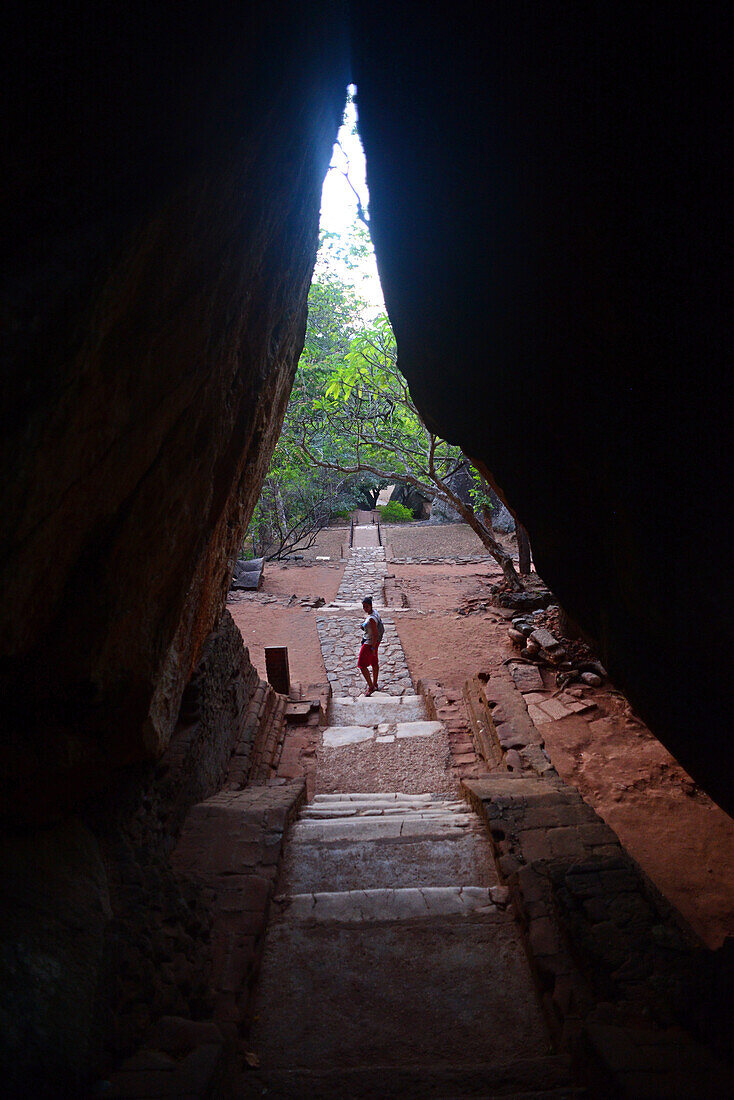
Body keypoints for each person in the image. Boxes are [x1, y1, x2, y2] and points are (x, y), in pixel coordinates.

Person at [357, 595, 382, 696]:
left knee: (362, 665)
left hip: (370, 643)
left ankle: (371, 686)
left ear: (370, 606)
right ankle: (375, 683)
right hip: (375, 642)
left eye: (366, 607)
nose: (365, 609)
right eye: (363, 606)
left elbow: (375, 633)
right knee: (374, 662)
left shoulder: (371, 619)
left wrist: (372, 647)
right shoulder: (375, 613)